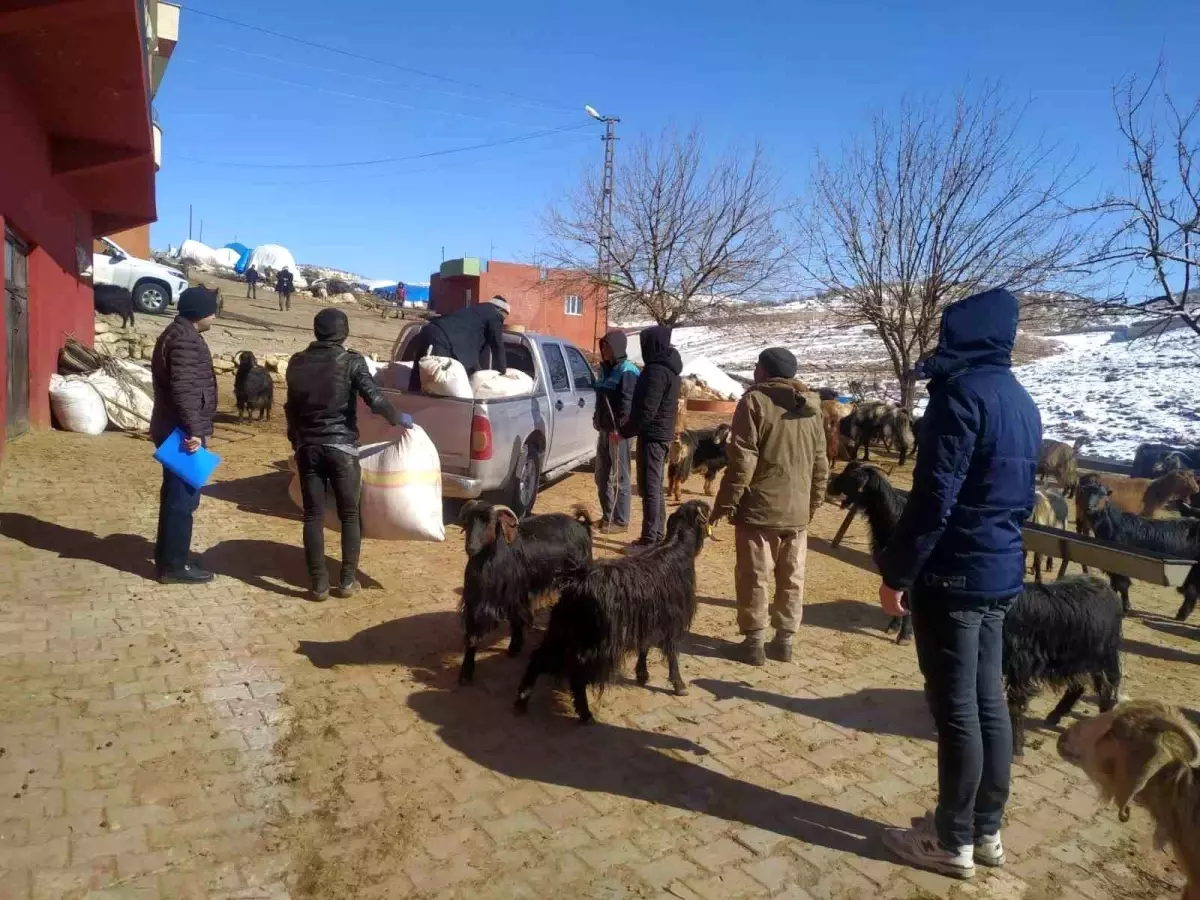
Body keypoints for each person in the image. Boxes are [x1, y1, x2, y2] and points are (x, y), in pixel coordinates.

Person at [876, 288, 1041, 880]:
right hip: (998, 571)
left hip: (954, 574)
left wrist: (898, 572)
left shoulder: (959, 397)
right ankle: (985, 829)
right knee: (989, 703)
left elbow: (932, 499)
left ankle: (952, 840)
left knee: (957, 712)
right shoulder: (1021, 401)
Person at [711, 348, 828, 666]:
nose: (753, 371)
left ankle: (753, 643)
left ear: (764, 371)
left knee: (755, 576)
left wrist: (723, 506)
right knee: (792, 577)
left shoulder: (753, 402)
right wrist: (812, 504)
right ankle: (785, 641)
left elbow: (741, 463)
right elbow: (821, 463)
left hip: (760, 510)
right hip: (797, 513)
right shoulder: (813, 408)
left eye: (756, 366)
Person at [286, 308, 408, 601]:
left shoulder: (296, 362)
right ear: (344, 332)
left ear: (317, 331)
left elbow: (290, 407)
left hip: (308, 447)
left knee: (312, 516)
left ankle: (318, 585)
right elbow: (375, 399)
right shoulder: (352, 362)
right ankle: (347, 580)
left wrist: (296, 439)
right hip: (341, 449)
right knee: (349, 515)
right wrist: (398, 418)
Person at [149, 286, 220, 585]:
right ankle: (174, 566)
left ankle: (170, 556)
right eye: (212, 309)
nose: (215, 315)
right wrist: (195, 432)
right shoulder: (185, 342)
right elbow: (185, 390)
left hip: (173, 426)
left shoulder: (179, 335)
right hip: (180, 432)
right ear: (200, 313)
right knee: (183, 500)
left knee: (175, 497)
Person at [620, 325, 681, 549]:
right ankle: (657, 535)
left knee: (651, 488)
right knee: (653, 487)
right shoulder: (669, 368)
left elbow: (647, 410)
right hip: (658, 434)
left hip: (653, 436)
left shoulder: (656, 370)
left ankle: (650, 540)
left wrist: (626, 430)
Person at [406, 296, 509, 392]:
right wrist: (501, 372)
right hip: (443, 340)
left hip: (429, 329)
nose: (502, 321)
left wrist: (477, 369)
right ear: (500, 310)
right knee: (440, 381)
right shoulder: (494, 315)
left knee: (418, 375)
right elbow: (497, 345)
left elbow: (477, 351)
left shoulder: (476, 310)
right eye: (504, 317)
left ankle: (408, 402)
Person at [593, 330, 639, 534]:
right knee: (601, 474)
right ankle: (607, 515)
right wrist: (597, 419)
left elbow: (627, 404)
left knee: (620, 476)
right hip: (604, 429)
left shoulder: (628, 370)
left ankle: (621, 520)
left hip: (618, 432)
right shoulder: (604, 370)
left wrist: (619, 429)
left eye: (607, 347)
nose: (603, 350)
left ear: (617, 348)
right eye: (602, 346)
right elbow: (601, 397)